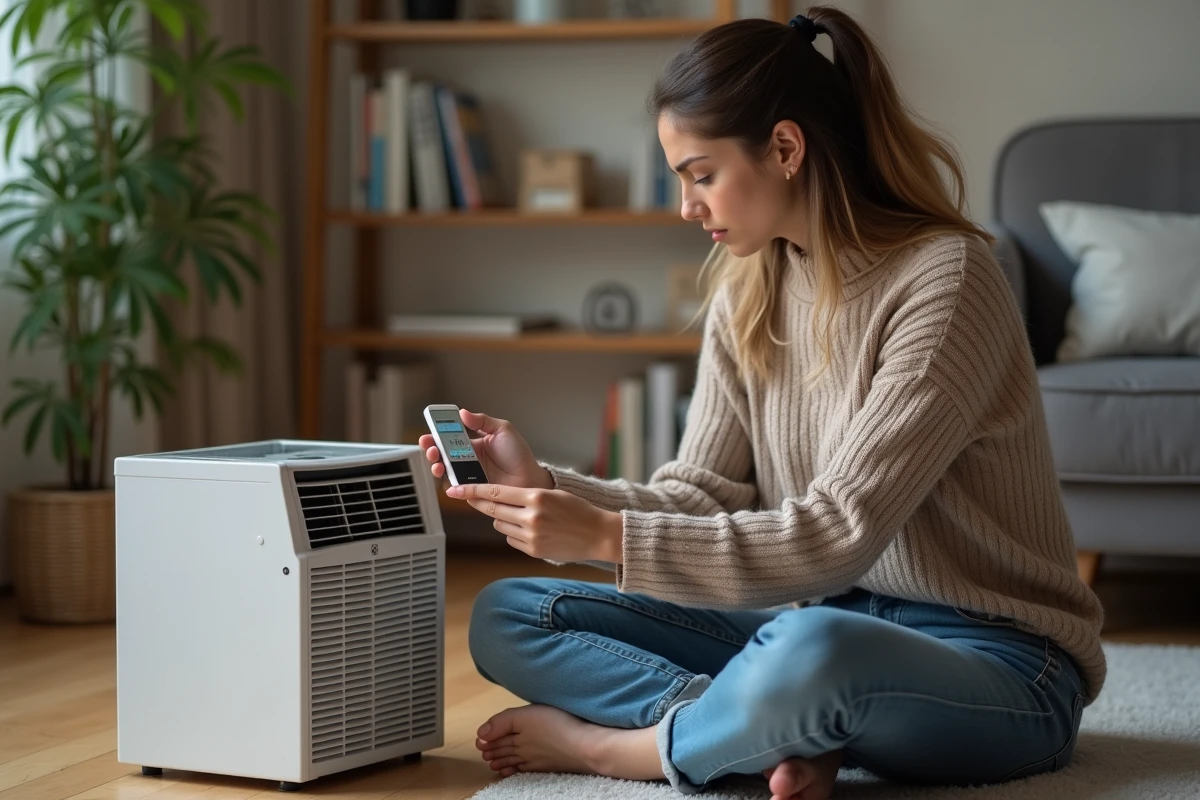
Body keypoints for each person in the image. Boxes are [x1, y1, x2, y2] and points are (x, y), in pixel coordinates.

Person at [418, 8, 1105, 800]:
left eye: (701, 174)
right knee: (511, 613)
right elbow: (701, 497)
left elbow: (841, 533)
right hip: (812, 626)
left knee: (815, 650)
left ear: (784, 148)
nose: (687, 207)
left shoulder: (947, 281)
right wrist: (553, 489)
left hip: (1003, 666)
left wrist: (604, 535)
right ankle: (753, 728)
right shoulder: (750, 289)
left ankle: (629, 750)